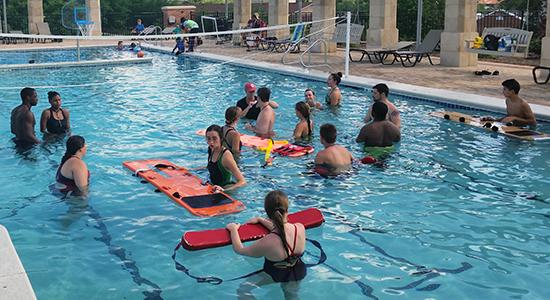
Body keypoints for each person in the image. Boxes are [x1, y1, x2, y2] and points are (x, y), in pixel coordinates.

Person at [226, 190, 306, 297]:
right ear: (287, 209)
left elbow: (240, 250)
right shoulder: (300, 227)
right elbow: (282, 231)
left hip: (276, 274)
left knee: (243, 289)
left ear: (267, 213)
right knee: (291, 295)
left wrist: (233, 230)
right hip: (298, 271)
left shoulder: (268, 241)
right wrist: (261, 220)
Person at [205, 125, 246, 192]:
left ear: (221, 138)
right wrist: (191, 169)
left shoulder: (226, 156)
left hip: (226, 191)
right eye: (208, 138)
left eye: (214, 138)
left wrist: (224, 190)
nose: (211, 142)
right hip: (214, 188)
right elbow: (210, 166)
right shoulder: (211, 149)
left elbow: (242, 181)